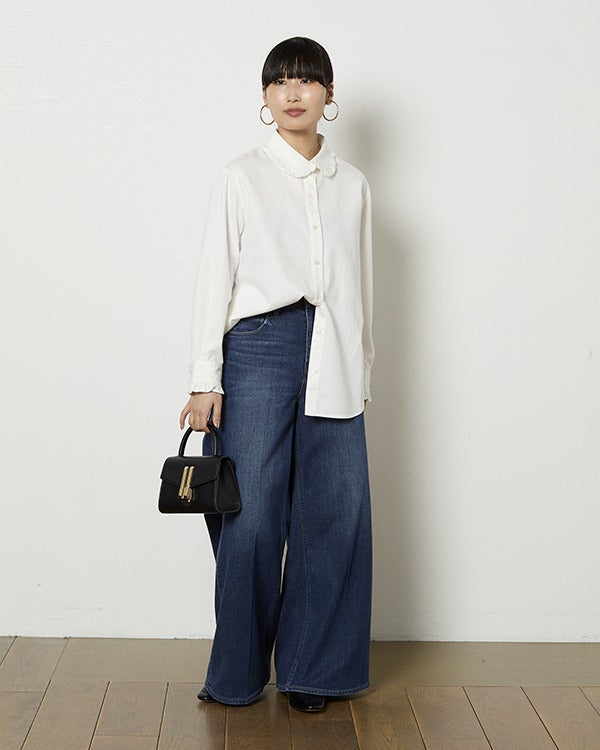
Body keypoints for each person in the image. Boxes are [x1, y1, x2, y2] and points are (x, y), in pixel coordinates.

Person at [179, 36, 374, 713]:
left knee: (336, 513)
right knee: (253, 515)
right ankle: (235, 674)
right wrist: (205, 378)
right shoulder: (242, 175)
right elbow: (215, 276)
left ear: (328, 95)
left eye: (307, 80)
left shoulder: (353, 184)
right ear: (265, 97)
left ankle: (311, 672)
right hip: (258, 346)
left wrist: (361, 369)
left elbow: (361, 284)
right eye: (280, 81)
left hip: (335, 348)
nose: (294, 92)